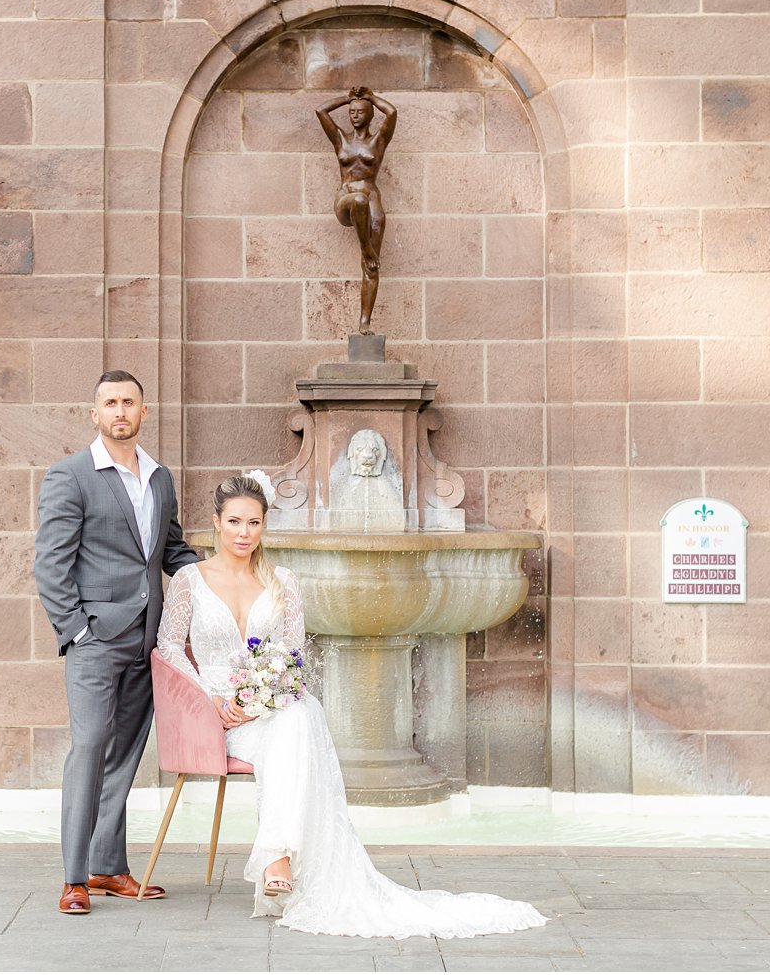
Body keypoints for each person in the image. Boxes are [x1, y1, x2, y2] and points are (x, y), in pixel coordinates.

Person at [156, 474, 548, 939]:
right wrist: (213, 699)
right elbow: (170, 647)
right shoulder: (189, 580)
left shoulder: (283, 581)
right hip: (215, 717)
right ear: (216, 523)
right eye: (235, 522)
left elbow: (292, 655)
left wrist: (262, 700)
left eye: (254, 522)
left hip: (270, 708)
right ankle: (277, 855)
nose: (244, 533)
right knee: (297, 723)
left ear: (265, 526)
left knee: (297, 715)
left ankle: (278, 855)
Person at [34, 369, 201, 916]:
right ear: (95, 413)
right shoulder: (71, 476)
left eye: (129, 402)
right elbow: (51, 566)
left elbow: (170, 551)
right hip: (96, 642)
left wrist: (226, 577)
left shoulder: (159, 478)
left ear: (144, 412)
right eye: (110, 403)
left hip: (148, 640)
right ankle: (75, 877)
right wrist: (77, 630)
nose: (120, 411)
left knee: (125, 755)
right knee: (88, 749)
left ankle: (109, 866)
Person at [316, 86, 397, 334]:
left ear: (370, 114)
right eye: (351, 112)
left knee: (371, 266)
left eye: (360, 112)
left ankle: (365, 322)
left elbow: (392, 112)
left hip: (372, 199)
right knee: (359, 201)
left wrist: (371, 97)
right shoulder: (340, 139)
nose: (354, 115)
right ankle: (365, 248)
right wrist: (348, 99)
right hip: (347, 197)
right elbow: (320, 110)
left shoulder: (378, 141)